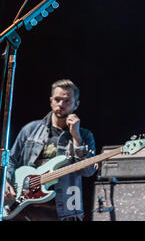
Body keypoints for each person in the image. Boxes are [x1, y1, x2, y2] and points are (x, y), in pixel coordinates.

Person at [4, 79, 96, 221]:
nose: (61, 104)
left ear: (76, 104)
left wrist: (76, 137)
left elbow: (88, 171)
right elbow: (11, 160)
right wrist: (6, 182)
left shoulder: (84, 135)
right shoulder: (30, 130)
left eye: (67, 101)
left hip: (63, 209)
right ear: (51, 100)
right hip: (24, 207)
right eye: (57, 99)